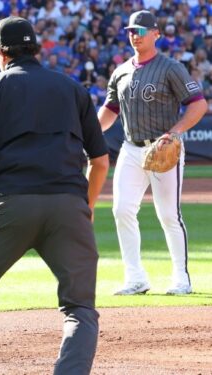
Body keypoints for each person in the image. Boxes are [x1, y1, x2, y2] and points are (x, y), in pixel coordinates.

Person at [0, 17, 109, 375]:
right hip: (67, 205)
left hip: (11, 203)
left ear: (0, 53)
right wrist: (87, 206)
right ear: (37, 49)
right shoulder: (74, 89)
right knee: (80, 307)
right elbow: (100, 162)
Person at [97, 10, 207, 296]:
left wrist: (175, 132)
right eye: (132, 30)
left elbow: (198, 105)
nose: (135, 35)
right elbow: (110, 110)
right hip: (130, 149)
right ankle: (135, 278)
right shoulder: (120, 70)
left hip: (163, 148)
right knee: (121, 210)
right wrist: (90, 132)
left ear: (156, 34)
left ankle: (181, 278)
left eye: (141, 31)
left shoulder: (171, 67)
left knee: (169, 215)